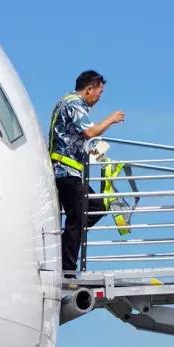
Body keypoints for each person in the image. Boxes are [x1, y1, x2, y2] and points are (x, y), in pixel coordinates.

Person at [49, 70, 125, 276]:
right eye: (99, 92)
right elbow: (89, 132)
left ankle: (64, 247)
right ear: (89, 88)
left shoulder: (69, 103)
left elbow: (80, 137)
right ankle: (67, 267)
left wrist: (97, 152)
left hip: (71, 170)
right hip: (66, 171)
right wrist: (111, 119)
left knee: (94, 208)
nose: (100, 97)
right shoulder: (74, 103)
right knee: (78, 218)